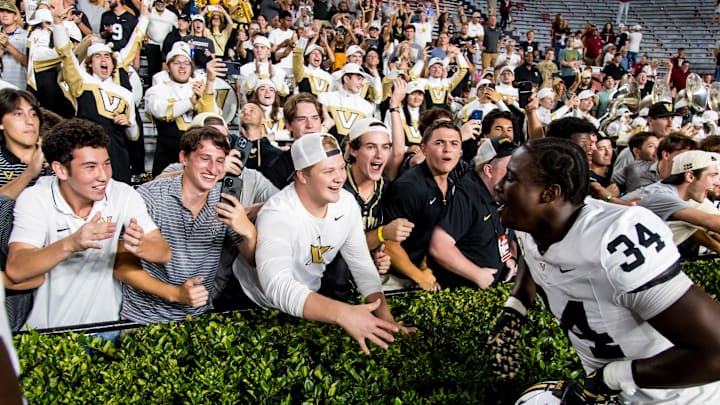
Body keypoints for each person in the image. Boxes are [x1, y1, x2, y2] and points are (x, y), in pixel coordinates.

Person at [489, 137, 720, 403]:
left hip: (680, 396)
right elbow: (534, 256)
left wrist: (612, 377)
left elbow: (715, 350)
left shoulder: (614, 240)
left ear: (549, 193)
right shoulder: (533, 223)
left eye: (511, 178)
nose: (498, 185)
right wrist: (514, 310)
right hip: (616, 395)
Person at [238, 133, 413, 355]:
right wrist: (343, 313)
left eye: (341, 168)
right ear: (302, 175)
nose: (340, 178)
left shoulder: (347, 204)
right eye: (328, 171)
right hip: (258, 305)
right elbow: (277, 286)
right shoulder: (278, 214)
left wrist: (387, 321)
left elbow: (361, 265)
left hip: (308, 300)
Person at [5, 118, 170, 330]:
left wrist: (141, 246)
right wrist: (72, 243)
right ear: (61, 170)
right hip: (46, 333)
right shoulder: (35, 199)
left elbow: (163, 251)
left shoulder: (122, 194)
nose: (103, 176)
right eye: (90, 167)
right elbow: (17, 268)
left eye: (106, 164)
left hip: (106, 329)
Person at [115, 126, 257, 323]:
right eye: (205, 158)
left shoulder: (225, 201)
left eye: (220, 161)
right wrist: (175, 293)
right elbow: (121, 266)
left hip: (197, 319)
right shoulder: (149, 197)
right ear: (184, 158)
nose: (213, 169)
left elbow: (251, 260)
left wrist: (248, 231)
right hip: (143, 320)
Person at [382, 121, 462, 291]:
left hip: (425, 272)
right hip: (396, 277)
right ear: (424, 149)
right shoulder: (409, 187)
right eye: (439, 143)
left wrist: (426, 269)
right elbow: (389, 244)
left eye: (454, 144)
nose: (447, 149)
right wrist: (420, 277)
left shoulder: (453, 183)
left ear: (460, 151)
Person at [428, 136, 517, 289]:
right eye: (510, 168)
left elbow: (510, 234)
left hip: (494, 291)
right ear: (488, 170)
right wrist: (477, 274)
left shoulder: (504, 193)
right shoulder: (466, 195)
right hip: (462, 294)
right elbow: (439, 245)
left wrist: (511, 258)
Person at [144, 41, 221, 176]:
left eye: (186, 63)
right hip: (166, 155)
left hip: (197, 156)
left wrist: (209, 83)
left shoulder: (200, 86)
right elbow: (161, 111)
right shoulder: (157, 89)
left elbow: (212, 118)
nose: (182, 67)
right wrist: (190, 102)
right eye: (177, 63)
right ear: (168, 66)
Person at [0, 1, 28, 90]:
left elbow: (27, 62)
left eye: (8, 12)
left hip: (18, 85)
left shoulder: (26, 36)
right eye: (1, 12)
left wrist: (8, 45)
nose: (4, 15)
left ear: (16, 16)